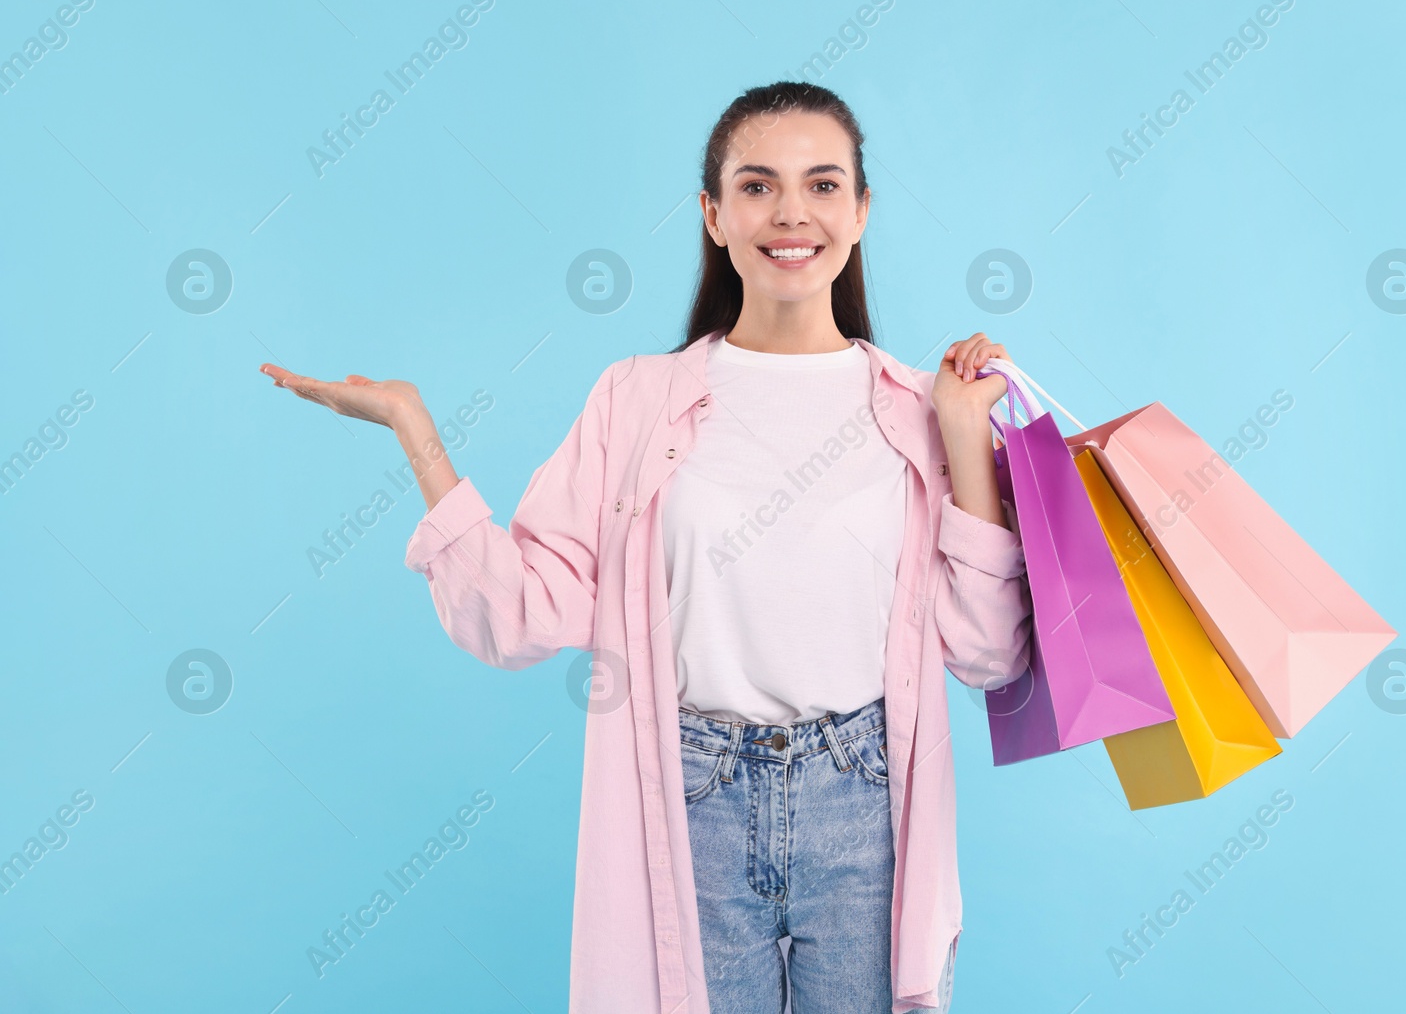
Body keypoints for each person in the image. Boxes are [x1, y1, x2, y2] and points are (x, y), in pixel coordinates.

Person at [260, 80, 1034, 1014]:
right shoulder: (635, 400)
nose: (792, 212)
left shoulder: (919, 409)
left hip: (864, 800)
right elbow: (518, 616)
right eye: (756, 186)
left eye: (823, 185)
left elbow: (990, 653)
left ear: (861, 210)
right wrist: (414, 429)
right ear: (712, 215)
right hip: (692, 792)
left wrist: (961, 435)